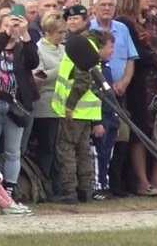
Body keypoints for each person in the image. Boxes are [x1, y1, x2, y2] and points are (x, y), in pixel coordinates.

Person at [51, 29, 114, 203]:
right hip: (87, 111)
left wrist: (70, 105)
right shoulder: (89, 49)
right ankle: (86, 190)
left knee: (67, 151)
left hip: (75, 110)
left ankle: (69, 191)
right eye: (110, 47)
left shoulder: (82, 50)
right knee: (83, 152)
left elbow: (82, 80)